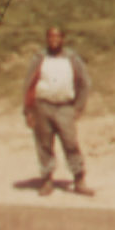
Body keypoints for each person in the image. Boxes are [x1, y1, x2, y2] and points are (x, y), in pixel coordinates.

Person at [21, 24, 92, 195]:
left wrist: (78, 106)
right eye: (50, 37)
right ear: (47, 39)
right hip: (42, 106)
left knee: (71, 143)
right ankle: (46, 180)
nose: (54, 40)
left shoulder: (72, 58)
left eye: (57, 37)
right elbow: (28, 84)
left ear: (62, 38)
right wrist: (28, 111)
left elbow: (85, 83)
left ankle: (79, 179)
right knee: (44, 144)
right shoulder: (39, 58)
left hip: (65, 107)